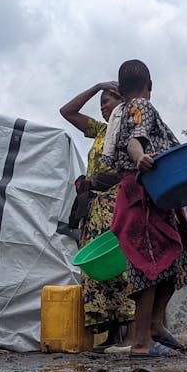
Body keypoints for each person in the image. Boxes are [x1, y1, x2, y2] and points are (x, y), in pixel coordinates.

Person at [105, 60, 187, 358]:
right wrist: (141, 158)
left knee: (179, 256)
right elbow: (136, 140)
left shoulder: (119, 114)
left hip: (157, 199)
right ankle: (142, 342)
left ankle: (156, 325)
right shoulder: (140, 107)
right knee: (151, 267)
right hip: (142, 198)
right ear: (150, 85)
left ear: (119, 90)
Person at [60, 82, 135, 348]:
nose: (102, 107)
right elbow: (67, 112)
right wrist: (96, 87)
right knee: (98, 270)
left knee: (119, 270)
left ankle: (128, 335)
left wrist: (110, 179)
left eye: (107, 101)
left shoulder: (130, 131)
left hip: (117, 208)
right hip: (93, 212)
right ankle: (113, 335)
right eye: (100, 103)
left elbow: (136, 169)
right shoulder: (101, 131)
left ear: (123, 102)